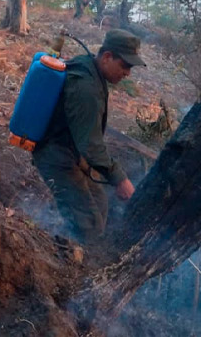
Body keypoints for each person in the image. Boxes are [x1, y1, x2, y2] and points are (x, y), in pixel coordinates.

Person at [32, 29, 146, 243]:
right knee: (89, 227)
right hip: (55, 155)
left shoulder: (91, 68)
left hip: (70, 150)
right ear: (107, 57)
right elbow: (92, 147)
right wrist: (119, 179)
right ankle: (61, 253)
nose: (128, 73)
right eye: (125, 65)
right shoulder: (86, 89)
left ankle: (72, 236)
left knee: (101, 204)